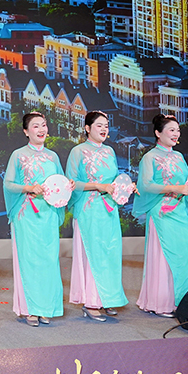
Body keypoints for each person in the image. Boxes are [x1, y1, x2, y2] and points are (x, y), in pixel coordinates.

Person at [3, 112, 72, 327]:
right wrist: (28, 188)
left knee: (49, 260)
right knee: (29, 260)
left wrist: (68, 185)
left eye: (43, 125)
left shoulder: (53, 156)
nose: (41, 129)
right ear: (26, 131)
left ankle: (46, 307)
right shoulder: (18, 155)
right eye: (35, 126)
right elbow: (8, 184)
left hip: (48, 214)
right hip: (26, 215)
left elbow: (59, 182)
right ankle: (30, 309)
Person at [133, 114, 188, 317]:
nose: (176, 134)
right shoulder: (149, 157)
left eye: (177, 130)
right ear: (158, 133)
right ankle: (161, 303)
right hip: (161, 214)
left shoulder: (178, 157)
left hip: (179, 212)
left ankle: (180, 302)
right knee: (165, 257)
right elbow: (146, 185)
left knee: (186, 256)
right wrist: (175, 188)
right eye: (171, 130)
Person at [66, 111, 129, 322]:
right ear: (87, 128)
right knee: (93, 254)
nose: (104, 129)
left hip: (108, 209)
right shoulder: (78, 151)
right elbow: (71, 183)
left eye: (106, 126)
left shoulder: (110, 151)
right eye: (99, 125)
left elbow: (115, 179)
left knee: (110, 253)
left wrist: (125, 187)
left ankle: (106, 298)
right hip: (88, 209)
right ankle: (91, 302)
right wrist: (98, 186)